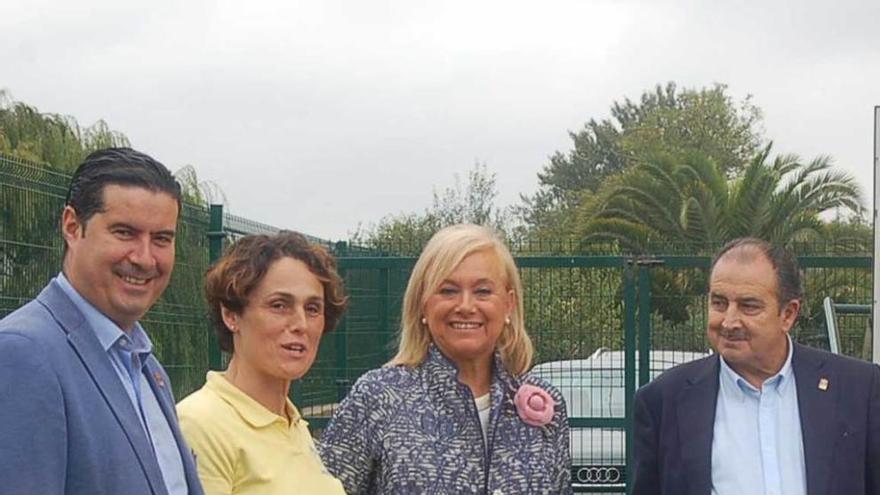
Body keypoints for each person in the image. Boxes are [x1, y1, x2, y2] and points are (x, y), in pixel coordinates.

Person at [0, 148, 203, 494]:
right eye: (124, 233)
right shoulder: (22, 354)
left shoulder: (147, 368)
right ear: (72, 226)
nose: (144, 258)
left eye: (162, 239)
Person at [319, 224, 572, 494]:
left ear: (508, 303)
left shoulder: (546, 403)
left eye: (483, 291)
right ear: (423, 304)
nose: (465, 306)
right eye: (448, 291)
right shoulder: (377, 397)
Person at [631, 237, 880, 495]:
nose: (729, 321)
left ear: (788, 314)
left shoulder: (858, 390)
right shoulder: (662, 401)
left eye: (748, 306)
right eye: (719, 303)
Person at [176, 232, 347, 494]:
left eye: (312, 308)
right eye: (279, 305)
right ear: (231, 314)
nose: (301, 324)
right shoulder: (200, 424)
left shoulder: (293, 424)